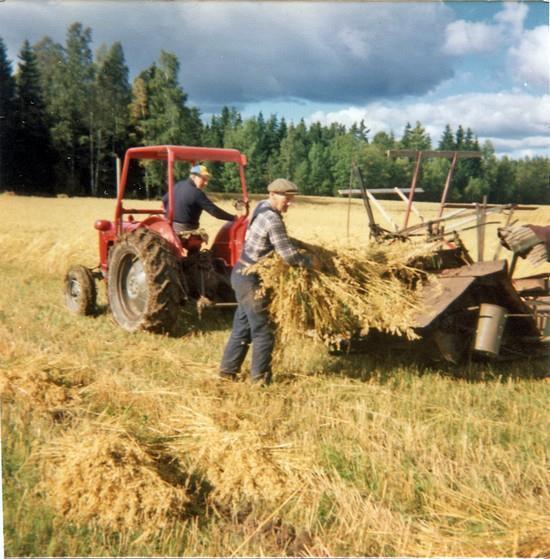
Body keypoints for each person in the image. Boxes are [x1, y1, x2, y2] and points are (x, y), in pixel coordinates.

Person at [219, 178, 310, 385]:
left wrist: (303, 244)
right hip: (251, 280)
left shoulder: (261, 207)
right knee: (263, 330)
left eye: (291, 198)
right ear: (272, 195)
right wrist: (312, 262)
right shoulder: (272, 219)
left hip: (240, 274)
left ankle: (227, 372)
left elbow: (278, 241)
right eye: (286, 198)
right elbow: (289, 256)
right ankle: (260, 380)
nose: (289, 203)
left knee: (242, 327)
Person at [163, 164, 236, 234]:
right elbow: (214, 211)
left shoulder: (178, 185)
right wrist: (233, 218)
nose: (206, 183)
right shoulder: (197, 193)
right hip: (185, 230)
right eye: (203, 179)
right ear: (193, 176)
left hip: (169, 229)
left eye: (207, 180)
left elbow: (164, 199)